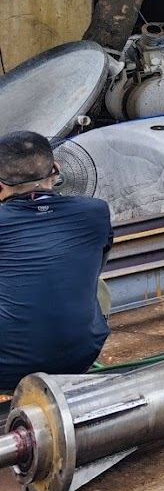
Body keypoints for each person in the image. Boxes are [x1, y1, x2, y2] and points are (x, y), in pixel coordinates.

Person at [0, 131, 113, 393]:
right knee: (98, 285)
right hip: (79, 359)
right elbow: (96, 266)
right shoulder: (96, 212)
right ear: (57, 170)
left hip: (6, 371)